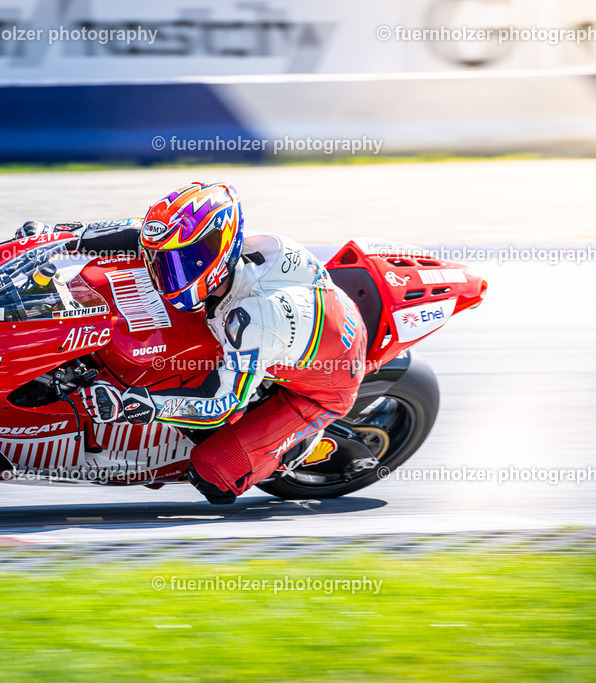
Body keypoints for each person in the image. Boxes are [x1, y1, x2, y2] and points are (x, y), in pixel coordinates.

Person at [60, 182, 368, 504]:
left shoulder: (254, 318)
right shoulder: (247, 253)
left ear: (220, 249)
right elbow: (140, 233)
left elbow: (221, 403)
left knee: (213, 474)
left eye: (182, 261)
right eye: (163, 261)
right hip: (304, 326)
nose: (165, 273)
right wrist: (65, 236)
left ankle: (299, 448)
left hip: (324, 386)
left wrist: (137, 405)